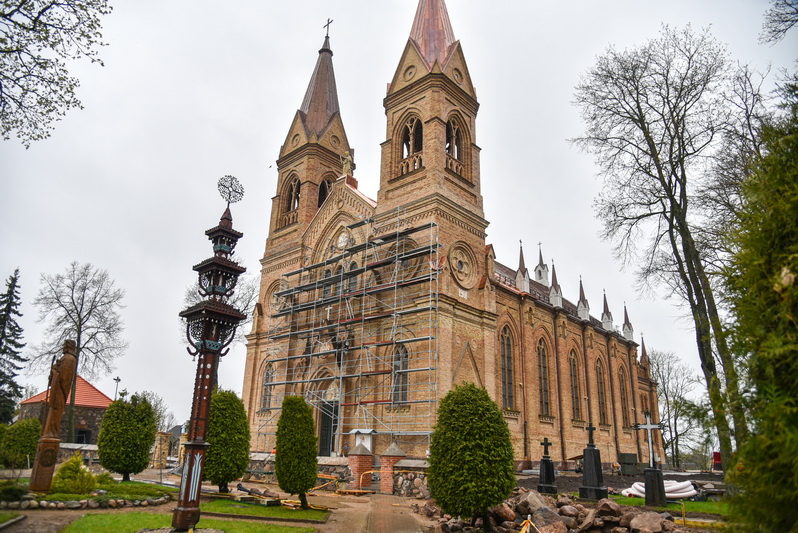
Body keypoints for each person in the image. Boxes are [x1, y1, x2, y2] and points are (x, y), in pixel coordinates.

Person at [43, 340, 78, 438]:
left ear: (68, 346)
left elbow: (65, 378)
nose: (63, 347)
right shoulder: (64, 358)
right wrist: (53, 371)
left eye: (64, 345)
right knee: (52, 410)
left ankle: (52, 433)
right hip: (56, 389)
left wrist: (55, 372)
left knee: (56, 410)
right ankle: (48, 433)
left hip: (60, 391)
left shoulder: (70, 359)